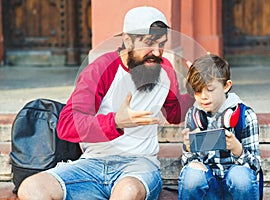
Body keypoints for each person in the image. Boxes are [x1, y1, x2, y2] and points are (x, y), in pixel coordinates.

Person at [17, 6, 194, 200]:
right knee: (32, 188)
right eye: (149, 43)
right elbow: (67, 125)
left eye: (162, 44)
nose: (157, 52)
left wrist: (194, 91)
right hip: (92, 164)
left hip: (138, 167)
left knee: (127, 191)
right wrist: (115, 122)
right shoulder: (101, 69)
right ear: (128, 40)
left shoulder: (165, 72)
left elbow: (175, 114)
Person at [178, 54, 261, 200]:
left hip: (235, 187)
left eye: (209, 89)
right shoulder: (193, 115)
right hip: (209, 189)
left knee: (240, 177)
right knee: (192, 177)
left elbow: (255, 166)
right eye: (197, 91)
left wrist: (238, 149)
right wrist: (190, 151)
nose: (203, 96)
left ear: (226, 86)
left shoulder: (246, 115)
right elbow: (188, 164)